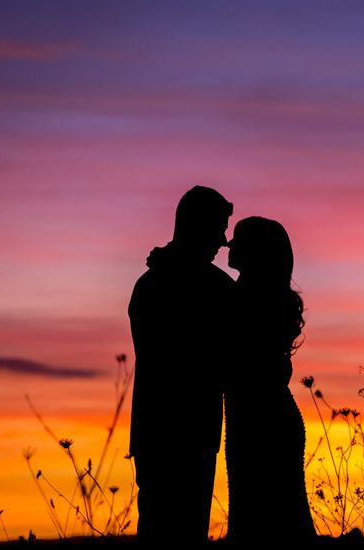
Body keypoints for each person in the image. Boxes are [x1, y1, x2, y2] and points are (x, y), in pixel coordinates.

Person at [128, 186, 235, 544]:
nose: (223, 241)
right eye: (218, 228)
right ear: (196, 226)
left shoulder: (148, 283)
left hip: (165, 434)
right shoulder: (215, 289)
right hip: (182, 435)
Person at [223, 216, 316, 543]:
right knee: (280, 519)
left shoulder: (244, 299)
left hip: (260, 421)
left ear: (255, 252)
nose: (228, 246)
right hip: (265, 417)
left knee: (262, 524)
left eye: (238, 240)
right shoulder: (254, 296)